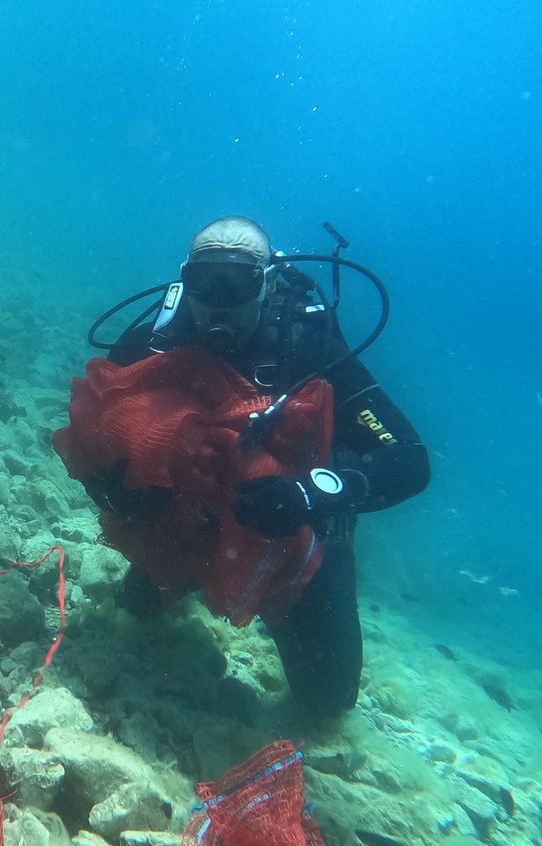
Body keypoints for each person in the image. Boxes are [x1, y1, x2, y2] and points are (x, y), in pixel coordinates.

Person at [54, 216, 429, 719]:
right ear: (185, 282)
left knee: (326, 701)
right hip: (183, 527)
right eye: (206, 282)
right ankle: (177, 579)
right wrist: (114, 490)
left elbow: (407, 458)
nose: (220, 300)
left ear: (269, 283)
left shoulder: (307, 348)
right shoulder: (155, 342)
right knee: (132, 623)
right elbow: (94, 434)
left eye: (240, 281)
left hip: (292, 536)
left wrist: (311, 497)